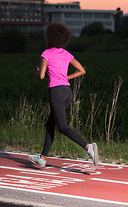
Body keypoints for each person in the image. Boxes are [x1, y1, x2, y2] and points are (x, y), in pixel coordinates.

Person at [29, 21, 99, 167]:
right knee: (50, 124)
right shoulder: (66, 54)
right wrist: (66, 78)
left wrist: (37, 72)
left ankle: (88, 147)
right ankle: (42, 158)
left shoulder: (46, 53)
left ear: (49, 37)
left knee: (62, 127)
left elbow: (42, 76)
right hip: (67, 92)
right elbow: (82, 71)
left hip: (55, 92)